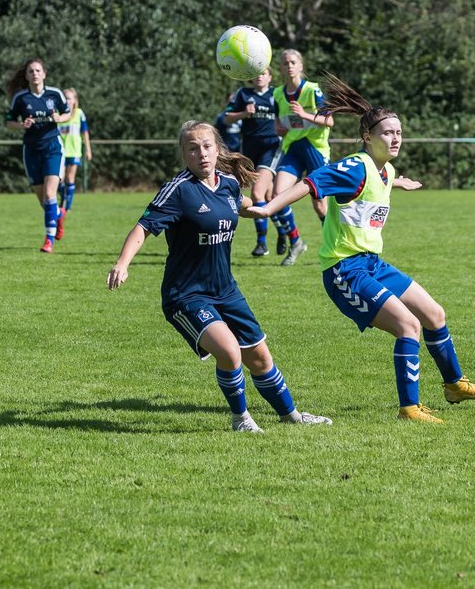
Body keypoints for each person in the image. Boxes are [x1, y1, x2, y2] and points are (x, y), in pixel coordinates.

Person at [247, 75, 475, 423]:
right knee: (408, 326)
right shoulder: (354, 166)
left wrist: (398, 181)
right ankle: (409, 409)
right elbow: (310, 183)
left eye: (398, 132)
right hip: (344, 270)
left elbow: (379, 181)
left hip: (372, 265)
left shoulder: (385, 169)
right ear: (368, 137)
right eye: (387, 133)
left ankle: (455, 385)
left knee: (434, 315)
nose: (395, 138)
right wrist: (267, 207)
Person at [106, 120, 332, 432]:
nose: (201, 153)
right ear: (184, 155)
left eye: (207, 146)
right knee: (228, 351)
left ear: (217, 149)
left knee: (261, 359)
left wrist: (255, 208)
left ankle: (292, 416)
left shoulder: (226, 184)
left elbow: (239, 203)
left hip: (226, 290)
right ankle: (241, 420)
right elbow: (143, 227)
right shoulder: (178, 190)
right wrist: (122, 263)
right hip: (186, 295)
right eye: (193, 148)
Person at [269, 49, 334, 266]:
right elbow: (280, 125)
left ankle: (334, 245)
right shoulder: (278, 94)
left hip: (315, 149)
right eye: (285, 62)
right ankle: (296, 241)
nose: (289, 65)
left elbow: (330, 121)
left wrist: (305, 114)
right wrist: (280, 127)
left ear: (301, 66)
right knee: (277, 195)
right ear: (280, 68)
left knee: (320, 206)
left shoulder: (313, 90)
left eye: (293, 62)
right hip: (293, 148)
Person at [6, 59, 72, 253]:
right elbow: (9, 122)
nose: (34, 73)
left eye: (38, 70)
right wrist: (21, 125)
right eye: (31, 71)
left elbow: (67, 113)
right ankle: (58, 216)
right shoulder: (20, 98)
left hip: (52, 147)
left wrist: (60, 118)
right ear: (26, 76)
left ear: (44, 74)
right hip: (31, 150)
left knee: (51, 194)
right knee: (44, 201)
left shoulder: (55, 94)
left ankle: (48, 240)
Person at [224, 68, 280, 257]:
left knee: (257, 193)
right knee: (271, 197)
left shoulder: (277, 94)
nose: (259, 76)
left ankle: (261, 243)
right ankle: (286, 233)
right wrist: (243, 114)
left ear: (270, 77)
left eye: (263, 73)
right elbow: (226, 118)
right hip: (250, 152)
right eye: (256, 73)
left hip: (271, 149)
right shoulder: (243, 94)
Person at [57, 88, 92, 221]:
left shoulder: (79, 113)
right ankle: (64, 198)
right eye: (65, 97)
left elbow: (85, 132)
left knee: (70, 178)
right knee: (59, 180)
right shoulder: (58, 114)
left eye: (70, 98)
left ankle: (67, 207)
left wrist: (88, 149)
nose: (67, 100)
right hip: (60, 151)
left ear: (75, 100)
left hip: (74, 151)